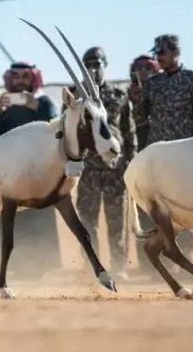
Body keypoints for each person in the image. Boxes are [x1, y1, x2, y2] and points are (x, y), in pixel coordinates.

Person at [132, 34, 193, 264]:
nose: (159, 58)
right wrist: (136, 100)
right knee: (154, 208)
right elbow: (139, 119)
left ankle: (184, 258)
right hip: (157, 160)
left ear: (176, 52)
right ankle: (153, 262)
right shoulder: (153, 85)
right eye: (157, 54)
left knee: (184, 210)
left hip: (185, 159)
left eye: (163, 53)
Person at [0, 60, 61, 278]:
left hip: (39, 174)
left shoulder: (44, 101)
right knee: (12, 218)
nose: (19, 81)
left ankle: (39, 266)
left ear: (32, 78)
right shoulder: (3, 104)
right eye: (15, 76)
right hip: (11, 174)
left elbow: (56, 128)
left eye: (24, 76)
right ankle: (12, 266)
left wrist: (37, 107)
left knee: (38, 217)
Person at [75, 47, 136, 281]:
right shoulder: (75, 98)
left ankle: (119, 266)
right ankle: (91, 265)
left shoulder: (119, 96)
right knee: (87, 219)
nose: (93, 68)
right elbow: (66, 133)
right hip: (87, 169)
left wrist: (131, 163)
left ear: (105, 65)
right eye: (88, 64)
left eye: (97, 64)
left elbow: (129, 133)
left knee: (117, 220)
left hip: (115, 169)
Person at [128, 54, 162, 277]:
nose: (142, 73)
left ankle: (177, 256)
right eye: (138, 69)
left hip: (163, 160)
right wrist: (135, 102)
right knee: (144, 210)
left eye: (147, 69)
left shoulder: (163, 93)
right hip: (140, 162)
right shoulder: (127, 97)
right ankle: (147, 261)